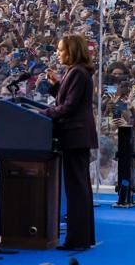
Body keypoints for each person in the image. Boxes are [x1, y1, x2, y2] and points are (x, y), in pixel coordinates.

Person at [44, 32, 97, 251]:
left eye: (60, 49)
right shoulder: (75, 72)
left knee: (77, 189)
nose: (57, 53)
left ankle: (78, 239)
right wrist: (56, 85)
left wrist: (44, 113)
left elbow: (69, 107)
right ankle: (83, 237)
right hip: (76, 136)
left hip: (75, 136)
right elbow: (68, 100)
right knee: (79, 187)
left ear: (72, 50)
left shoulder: (77, 72)